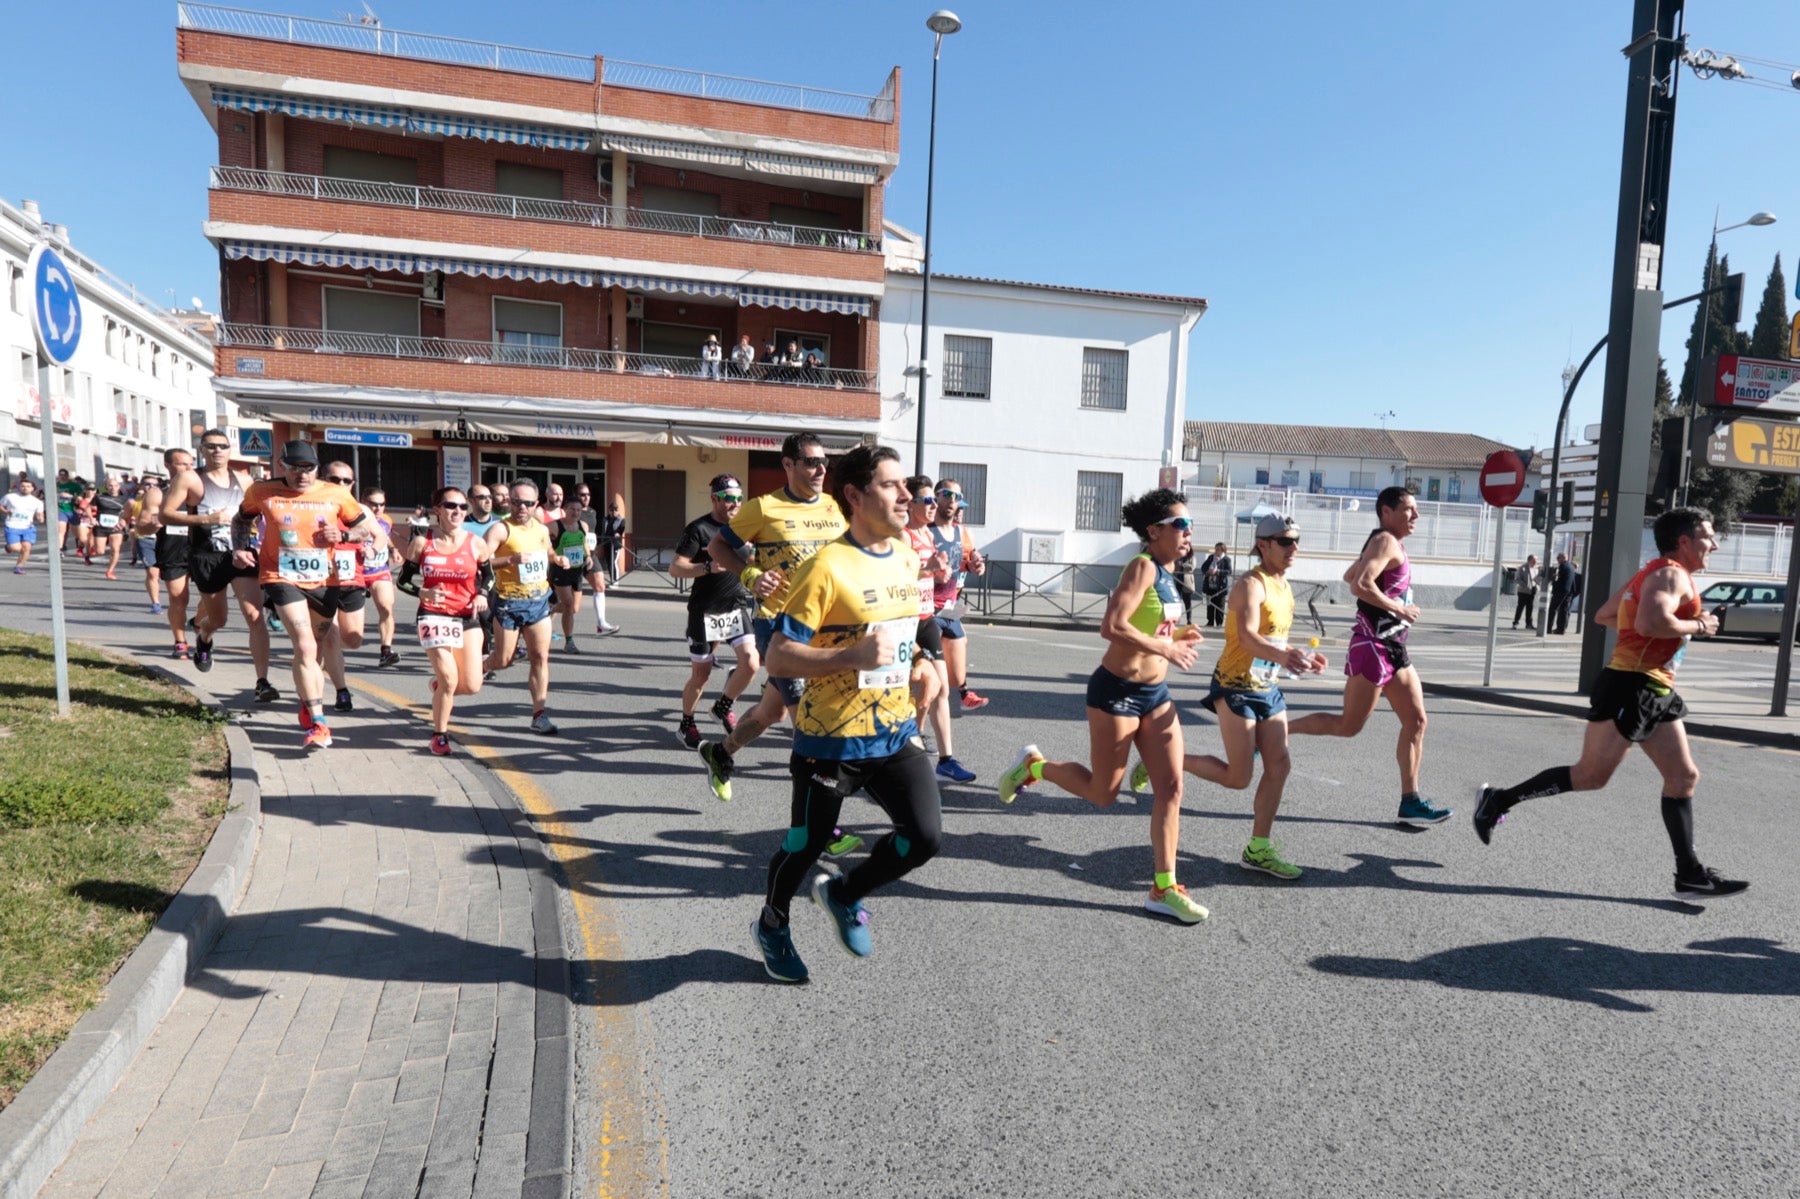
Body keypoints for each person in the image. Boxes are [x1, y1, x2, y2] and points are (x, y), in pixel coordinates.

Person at [1474, 508, 1748, 897]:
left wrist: (1654, 628)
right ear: (1684, 541)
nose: (1715, 544)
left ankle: (1688, 873)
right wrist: (1699, 624)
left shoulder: (1652, 573)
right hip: (1630, 688)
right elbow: (1649, 624)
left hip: (1655, 689)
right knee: (1590, 776)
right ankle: (1497, 800)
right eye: (1708, 536)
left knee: (1683, 777)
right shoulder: (1670, 573)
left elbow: (1605, 614)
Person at [748, 444, 941, 984]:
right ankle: (772, 924)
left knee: (924, 838)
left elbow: (907, 629)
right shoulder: (825, 566)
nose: (907, 496)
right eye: (891, 486)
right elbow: (779, 655)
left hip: (894, 730)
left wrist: (924, 661)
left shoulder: (905, 552)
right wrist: (851, 656)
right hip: (830, 740)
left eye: (905, 485)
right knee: (804, 845)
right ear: (854, 496)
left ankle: (846, 891)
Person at [996, 488, 1212, 924]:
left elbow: (1152, 627)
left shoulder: (1171, 575)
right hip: (1116, 692)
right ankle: (1036, 767)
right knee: (1103, 793)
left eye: (1190, 525)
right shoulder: (1141, 567)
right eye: (1180, 525)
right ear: (1154, 531)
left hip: (1156, 696)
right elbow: (1111, 626)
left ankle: (1163, 888)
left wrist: (1176, 639)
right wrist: (1165, 649)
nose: (1188, 533)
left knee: (1170, 788)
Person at [1136, 514, 1329, 880]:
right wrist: (1285, 655)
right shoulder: (1250, 585)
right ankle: (1163, 761)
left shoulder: (1283, 586)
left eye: (1296, 541)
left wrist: (1300, 655)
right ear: (1263, 544)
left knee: (1280, 764)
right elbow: (1246, 638)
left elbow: (1272, 641)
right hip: (1236, 687)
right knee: (1238, 778)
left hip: (1267, 687)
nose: (1294, 548)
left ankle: (1258, 848)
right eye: (1285, 541)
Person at [1286, 486, 1452, 827]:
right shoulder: (1385, 541)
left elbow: (1351, 574)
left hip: (1393, 649)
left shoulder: (1388, 544)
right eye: (1408, 509)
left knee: (1417, 721)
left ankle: (1411, 800)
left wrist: (1384, 591)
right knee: (1348, 726)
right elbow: (1359, 584)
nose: (1416, 516)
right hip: (1373, 647)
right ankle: (1279, 731)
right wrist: (1398, 608)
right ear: (1386, 512)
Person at [696, 432, 846, 804]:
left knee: (771, 713)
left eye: (823, 461)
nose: (820, 469)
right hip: (778, 625)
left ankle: (720, 753)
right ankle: (821, 828)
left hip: (822, 628)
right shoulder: (763, 508)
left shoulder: (831, 506)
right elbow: (718, 546)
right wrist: (751, 576)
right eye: (811, 462)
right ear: (788, 465)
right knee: (807, 726)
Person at [230, 440, 374, 749]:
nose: (302, 475)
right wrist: (239, 548)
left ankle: (307, 700)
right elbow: (241, 519)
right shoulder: (261, 490)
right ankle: (320, 723)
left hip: (326, 580)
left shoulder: (336, 494)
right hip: (280, 576)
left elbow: (365, 530)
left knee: (316, 648)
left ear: (316, 468)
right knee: (305, 645)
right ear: (282, 466)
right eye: (295, 469)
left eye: (308, 469)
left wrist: (345, 535)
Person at [163, 430, 275, 699]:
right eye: (211, 446)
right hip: (206, 557)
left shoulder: (246, 480)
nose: (217, 451)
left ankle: (263, 682)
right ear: (202, 450)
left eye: (222, 446)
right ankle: (204, 637)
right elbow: (166, 515)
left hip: (240, 554)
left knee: (255, 616)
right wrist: (206, 520)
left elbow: (257, 517)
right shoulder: (190, 479)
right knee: (218, 620)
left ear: (230, 449)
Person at [670, 474, 760, 748]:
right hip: (705, 611)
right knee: (702, 675)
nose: (735, 503)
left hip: (734, 606)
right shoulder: (699, 529)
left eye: (738, 498)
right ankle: (686, 724)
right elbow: (675, 567)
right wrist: (707, 567)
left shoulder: (744, 527)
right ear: (714, 499)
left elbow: (753, 558)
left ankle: (723, 706)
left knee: (752, 663)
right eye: (728, 498)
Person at [407, 487, 492, 755]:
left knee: (472, 685)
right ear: (438, 510)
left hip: (467, 616)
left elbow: (489, 577)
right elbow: (402, 581)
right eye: (451, 506)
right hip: (433, 614)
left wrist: (483, 593)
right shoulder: (423, 542)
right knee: (450, 678)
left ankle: (440, 686)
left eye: (462, 507)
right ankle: (439, 735)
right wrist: (423, 592)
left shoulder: (476, 543)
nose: (458, 512)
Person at [904, 476, 969, 782]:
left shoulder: (928, 537)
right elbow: (896, 575)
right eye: (927, 501)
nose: (933, 506)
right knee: (912, 689)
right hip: (906, 620)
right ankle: (906, 745)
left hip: (927, 618)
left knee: (941, 688)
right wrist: (926, 569)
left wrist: (940, 573)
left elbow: (931, 576)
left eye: (934, 501)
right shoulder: (904, 536)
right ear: (912, 504)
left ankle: (946, 759)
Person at [482, 477, 559, 736]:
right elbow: (481, 561)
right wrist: (510, 560)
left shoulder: (540, 529)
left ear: (536, 503)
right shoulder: (501, 530)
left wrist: (558, 558)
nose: (521, 508)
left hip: (538, 601)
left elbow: (547, 552)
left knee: (540, 657)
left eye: (527, 503)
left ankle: (539, 714)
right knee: (503, 660)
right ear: (509, 502)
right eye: (516, 502)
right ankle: (479, 669)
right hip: (509, 603)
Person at [315, 461, 383, 714]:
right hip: (321, 581)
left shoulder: (359, 508)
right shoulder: (313, 505)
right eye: (335, 479)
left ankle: (327, 662)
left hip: (353, 580)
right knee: (329, 636)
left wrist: (372, 549)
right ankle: (341, 691)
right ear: (323, 479)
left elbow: (380, 536)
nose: (341, 485)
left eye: (347, 481)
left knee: (353, 639)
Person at [929, 479, 989, 711]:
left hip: (950, 608)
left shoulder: (962, 533)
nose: (952, 501)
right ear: (936, 496)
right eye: (947, 494)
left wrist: (976, 565)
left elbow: (968, 560)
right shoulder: (924, 531)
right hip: (926, 610)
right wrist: (928, 573)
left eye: (957, 497)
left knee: (955, 671)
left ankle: (963, 693)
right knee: (936, 684)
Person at [141, 449, 195, 657]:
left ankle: (198, 621)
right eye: (182, 464)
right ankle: (180, 642)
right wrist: (155, 524)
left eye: (191, 464)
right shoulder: (158, 493)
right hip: (173, 551)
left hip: (202, 550)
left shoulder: (200, 490)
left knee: (212, 602)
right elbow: (141, 528)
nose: (188, 468)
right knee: (178, 598)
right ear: (168, 466)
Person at [359, 488, 402, 668]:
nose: (377, 508)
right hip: (357, 573)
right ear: (363, 502)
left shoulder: (386, 521)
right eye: (373, 504)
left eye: (381, 504)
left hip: (379, 570)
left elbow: (385, 536)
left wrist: (393, 549)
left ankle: (386, 651)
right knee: (351, 629)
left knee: (386, 608)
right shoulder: (351, 519)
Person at [547, 490, 593, 654]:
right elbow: (543, 544)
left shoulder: (583, 526)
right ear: (564, 509)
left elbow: (584, 543)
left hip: (577, 570)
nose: (576, 513)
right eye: (572, 509)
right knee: (568, 604)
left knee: (574, 608)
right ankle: (569, 642)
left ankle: (548, 610)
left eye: (579, 510)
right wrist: (555, 557)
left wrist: (588, 556)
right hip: (560, 570)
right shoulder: (554, 525)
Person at [575, 486, 622, 633]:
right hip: (574, 556)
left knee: (600, 586)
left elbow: (593, 533)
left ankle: (601, 622)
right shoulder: (570, 511)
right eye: (582, 495)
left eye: (588, 494)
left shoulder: (592, 512)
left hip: (591, 555)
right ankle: (546, 619)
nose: (586, 497)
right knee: (569, 603)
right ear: (575, 495)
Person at [126, 474, 164, 611]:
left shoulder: (164, 500)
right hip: (144, 539)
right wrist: (122, 522)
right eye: (147, 484)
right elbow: (124, 516)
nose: (151, 487)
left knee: (163, 573)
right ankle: (156, 603)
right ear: (142, 486)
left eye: (155, 484)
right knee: (153, 573)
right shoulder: (134, 502)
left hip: (162, 540)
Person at [4, 477, 45, 573]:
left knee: (27, 547)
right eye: (22, 486)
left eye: (28, 486)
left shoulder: (37, 502)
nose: (25, 488)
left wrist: (40, 518)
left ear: (32, 488)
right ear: (19, 487)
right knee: (17, 548)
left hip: (28, 527)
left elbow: (40, 514)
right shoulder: (10, 497)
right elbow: (1, 505)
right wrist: (5, 511)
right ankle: (8, 547)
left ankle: (19, 567)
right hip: (12, 525)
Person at [93, 477, 128, 579]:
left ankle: (110, 571)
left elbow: (129, 511)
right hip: (101, 527)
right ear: (106, 487)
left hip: (116, 527)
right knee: (100, 551)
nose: (113, 488)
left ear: (119, 486)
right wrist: (92, 518)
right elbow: (88, 506)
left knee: (115, 550)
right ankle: (98, 544)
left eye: (116, 486)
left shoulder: (124, 498)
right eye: (110, 486)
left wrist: (125, 520)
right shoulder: (99, 496)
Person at [1200, 542, 1232, 627]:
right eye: (1215, 549)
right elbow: (1203, 567)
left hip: (1220, 588)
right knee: (1210, 605)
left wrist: (1218, 571)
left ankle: (1219, 623)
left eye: (1218, 549)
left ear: (1223, 550)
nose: (1216, 551)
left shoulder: (1226, 559)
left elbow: (1229, 571)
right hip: (1209, 586)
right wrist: (1208, 571)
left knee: (1220, 606)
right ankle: (1210, 622)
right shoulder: (1211, 557)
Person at [54, 469, 79, 554]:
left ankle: (79, 547)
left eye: (64, 475)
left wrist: (71, 496)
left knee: (76, 532)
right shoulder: (55, 485)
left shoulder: (74, 485)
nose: (62, 476)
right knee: (61, 531)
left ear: (67, 476)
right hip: (61, 510)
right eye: (61, 474)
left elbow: (81, 497)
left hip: (72, 510)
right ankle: (60, 549)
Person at [1513, 554, 1540, 630]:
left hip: (1532, 591)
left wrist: (1537, 585)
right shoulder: (1522, 568)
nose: (1535, 562)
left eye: (1536, 561)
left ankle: (1529, 624)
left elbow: (1536, 579)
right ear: (1529, 560)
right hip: (1523, 591)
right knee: (1520, 607)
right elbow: (1516, 579)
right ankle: (1515, 623)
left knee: (1530, 607)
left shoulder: (1535, 568)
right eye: (1534, 560)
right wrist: (1525, 585)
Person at [1549, 552, 1574, 635]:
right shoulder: (1571, 566)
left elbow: (1557, 579)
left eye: (1558, 558)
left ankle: (1548, 628)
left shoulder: (1562, 566)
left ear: (1562, 558)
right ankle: (1561, 629)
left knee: (1553, 609)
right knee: (1564, 610)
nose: (1557, 560)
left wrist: (1552, 582)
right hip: (1568, 591)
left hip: (1560, 591)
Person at [1174, 543, 1198, 625]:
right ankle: (1176, 619)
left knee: (1187, 602)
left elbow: (1192, 567)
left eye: (1186, 548)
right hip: (1177, 580)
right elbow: (1173, 566)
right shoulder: (1178, 556)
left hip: (1187, 582)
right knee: (1176, 601)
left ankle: (1189, 619)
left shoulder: (1192, 557)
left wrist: (1183, 565)